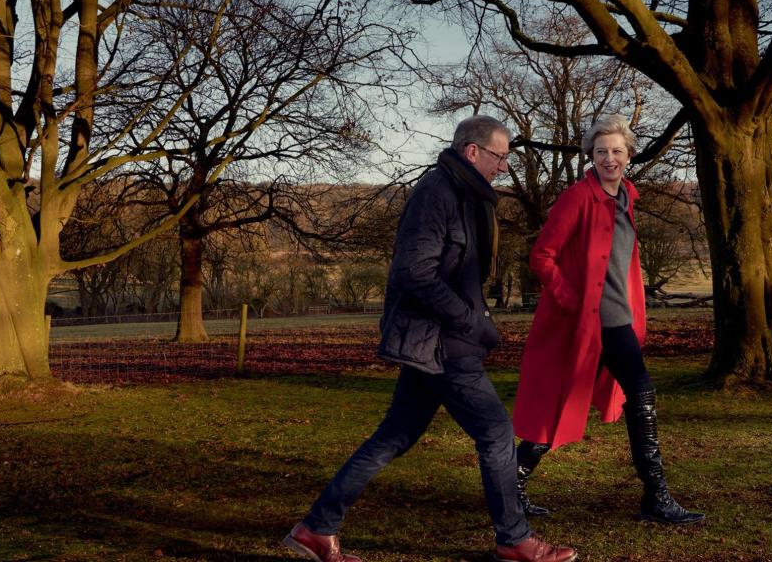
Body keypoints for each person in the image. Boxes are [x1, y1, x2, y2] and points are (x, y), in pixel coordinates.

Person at [283, 116, 577, 562]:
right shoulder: (435, 195)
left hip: (442, 340)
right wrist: (469, 321)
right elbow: (413, 273)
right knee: (497, 433)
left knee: (394, 437)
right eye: (499, 156)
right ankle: (514, 540)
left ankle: (316, 528)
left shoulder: (467, 197)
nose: (504, 166)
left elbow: (453, 272)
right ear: (472, 151)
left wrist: (477, 315)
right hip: (441, 343)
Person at [512, 114, 704, 525]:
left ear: (629, 155)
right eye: (601, 152)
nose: (609, 159)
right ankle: (656, 498)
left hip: (619, 319)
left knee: (596, 399)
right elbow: (541, 257)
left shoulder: (627, 197)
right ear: (591, 156)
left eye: (617, 151)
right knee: (638, 396)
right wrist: (573, 301)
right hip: (589, 322)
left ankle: (510, 484)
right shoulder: (578, 197)